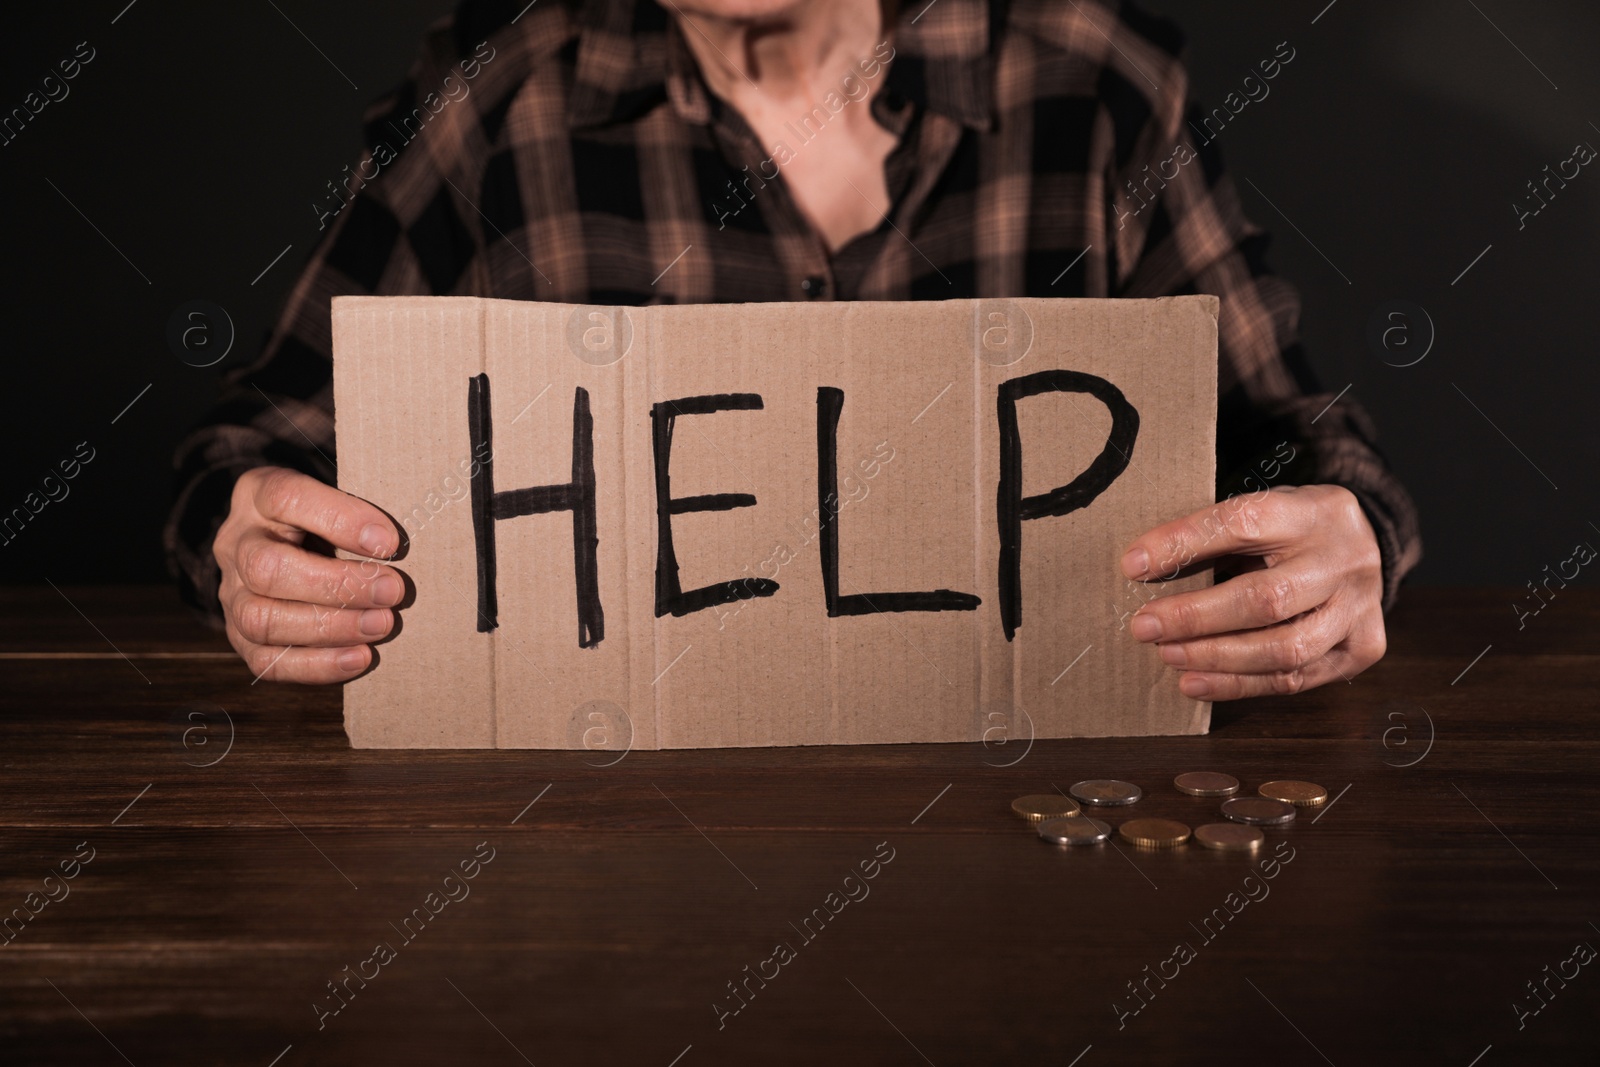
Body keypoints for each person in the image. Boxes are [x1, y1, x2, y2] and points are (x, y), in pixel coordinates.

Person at [166, 0, 1421, 699]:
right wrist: (248, 538)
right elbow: (255, 445)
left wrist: (1344, 539)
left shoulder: (1095, 83)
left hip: (1023, 848)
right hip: (596, 862)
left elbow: (1293, 438)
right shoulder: (495, 99)